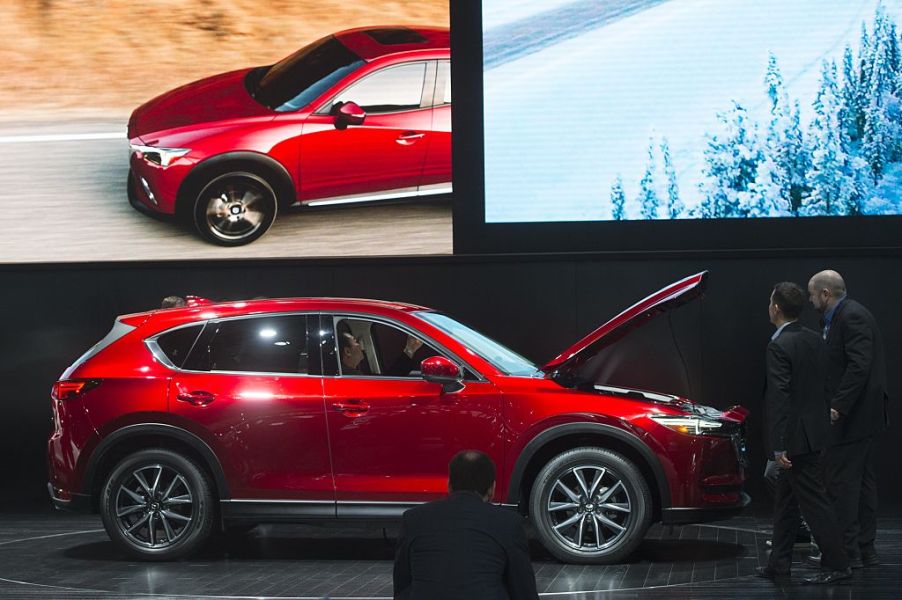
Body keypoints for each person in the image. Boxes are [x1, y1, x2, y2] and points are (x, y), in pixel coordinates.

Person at [756, 282, 850, 585]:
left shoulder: (779, 345)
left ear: (776, 308)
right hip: (816, 434)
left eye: (770, 302)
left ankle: (838, 564)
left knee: (815, 503)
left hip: (796, 440)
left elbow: (780, 399)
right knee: (785, 504)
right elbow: (826, 385)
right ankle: (778, 565)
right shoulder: (814, 339)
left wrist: (779, 447)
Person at [807, 270, 888, 569]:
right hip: (862, 417)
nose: (810, 300)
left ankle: (844, 552)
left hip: (854, 417)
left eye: (812, 294)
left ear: (826, 294)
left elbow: (859, 366)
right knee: (863, 484)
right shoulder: (841, 316)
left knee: (843, 484)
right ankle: (865, 550)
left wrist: (838, 406)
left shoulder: (851, 316)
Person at [393, 450, 539, 600]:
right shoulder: (508, 523)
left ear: (449, 485)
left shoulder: (414, 519)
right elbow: (524, 591)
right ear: (492, 489)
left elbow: (401, 587)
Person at [338, 330, 424, 376]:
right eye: (355, 341)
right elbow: (389, 386)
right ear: (347, 351)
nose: (359, 345)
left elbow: (389, 380)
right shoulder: (354, 378)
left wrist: (410, 349)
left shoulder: (353, 374)